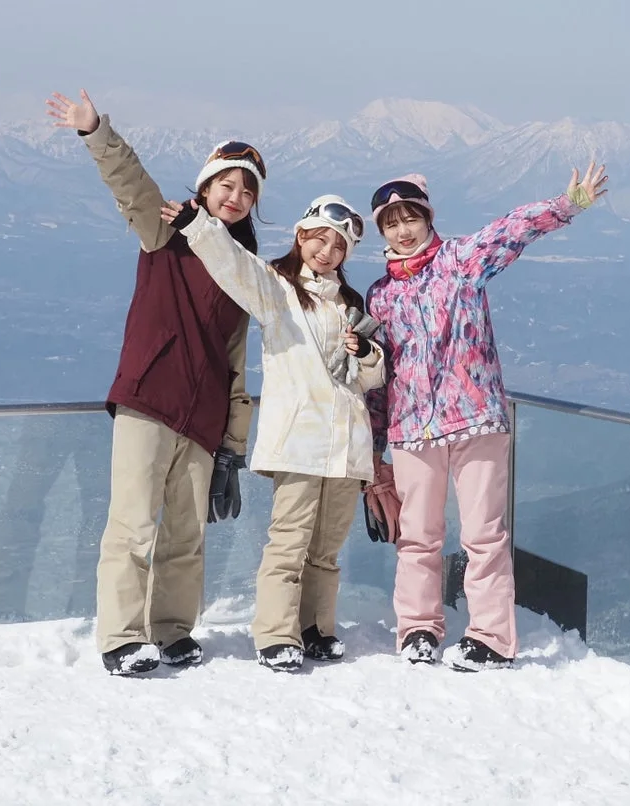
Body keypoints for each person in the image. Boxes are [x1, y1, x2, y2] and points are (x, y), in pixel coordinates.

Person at [46, 88, 260, 676]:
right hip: (149, 400)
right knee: (133, 525)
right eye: (227, 185)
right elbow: (129, 182)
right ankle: (121, 635)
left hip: (203, 414)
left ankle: (172, 630)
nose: (236, 198)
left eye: (247, 192)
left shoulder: (243, 268)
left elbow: (238, 362)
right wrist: (95, 130)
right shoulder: (166, 231)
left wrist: (233, 447)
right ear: (207, 186)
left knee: (186, 536)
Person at [365, 163, 608, 671]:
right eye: (391, 222)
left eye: (411, 217)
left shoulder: (460, 260)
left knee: (483, 535)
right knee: (418, 537)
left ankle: (492, 636)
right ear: (381, 230)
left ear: (428, 218)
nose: (403, 229)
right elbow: (380, 374)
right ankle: (418, 629)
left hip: (476, 418)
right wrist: (374, 444)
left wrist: (566, 206)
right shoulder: (380, 296)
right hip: (411, 429)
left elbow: (511, 229)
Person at [164, 192, 385, 671]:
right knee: (289, 542)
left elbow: (371, 379)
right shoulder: (278, 288)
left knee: (326, 548)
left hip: (347, 444)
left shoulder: (350, 302)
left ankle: (316, 629)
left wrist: (365, 353)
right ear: (301, 236)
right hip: (300, 441)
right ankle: (275, 634)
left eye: (338, 246)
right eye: (319, 239)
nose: (326, 252)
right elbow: (233, 264)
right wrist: (197, 225)